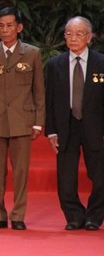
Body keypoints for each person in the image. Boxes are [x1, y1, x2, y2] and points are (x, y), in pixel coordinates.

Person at [0, 7, 44, 231]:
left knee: (21, 171)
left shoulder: (32, 53)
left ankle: (18, 215)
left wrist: (38, 121)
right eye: (1, 25)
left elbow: (39, 90)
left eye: (10, 25)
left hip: (22, 119)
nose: (5, 30)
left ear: (19, 27)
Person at [45, 16, 104, 231]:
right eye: (69, 34)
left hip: (96, 127)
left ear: (89, 37)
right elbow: (49, 100)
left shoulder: (101, 63)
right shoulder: (54, 65)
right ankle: (74, 216)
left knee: (100, 177)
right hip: (66, 125)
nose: (73, 38)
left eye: (79, 34)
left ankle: (94, 217)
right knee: (66, 179)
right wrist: (51, 131)